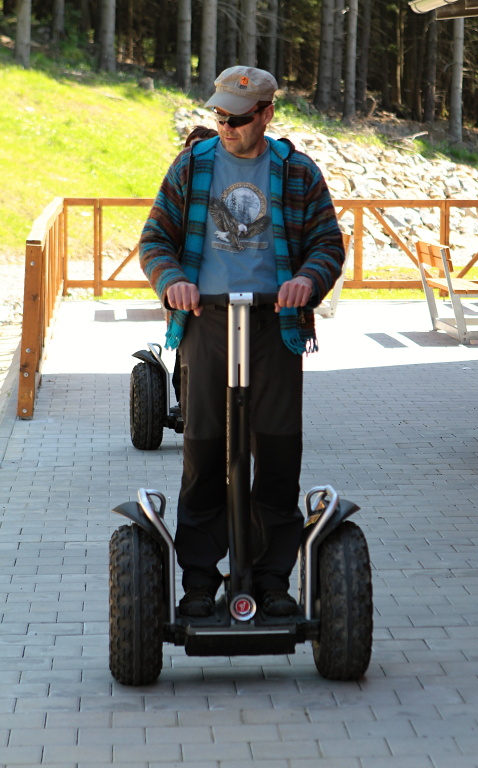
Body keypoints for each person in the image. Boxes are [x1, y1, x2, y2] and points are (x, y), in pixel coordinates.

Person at [140, 66, 345, 618]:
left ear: (266, 114)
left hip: (275, 325)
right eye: (220, 116)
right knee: (204, 451)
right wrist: (171, 280)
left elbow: (327, 243)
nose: (226, 127)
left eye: (238, 118)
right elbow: (155, 239)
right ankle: (199, 582)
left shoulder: (297, 171)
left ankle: (271, 579)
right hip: (205, 322)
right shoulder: (192, 165)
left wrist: (308, 280)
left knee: (276, 454)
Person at [170, 126, 218, 408]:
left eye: (201, 148)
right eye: (190, 147)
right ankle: (186, 405)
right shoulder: (177, 182)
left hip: (218, 283)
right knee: (185, 345)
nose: (193, 154)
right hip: (185, 281)